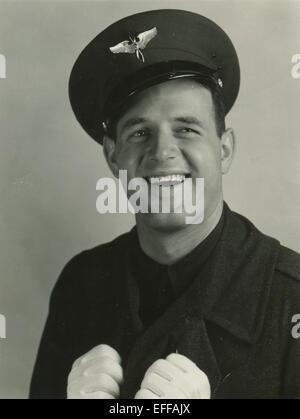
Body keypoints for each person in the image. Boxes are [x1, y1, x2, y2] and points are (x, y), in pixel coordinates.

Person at [29, 9, 300, 399]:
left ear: (224, 149)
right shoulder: (81, 286)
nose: (163, 153)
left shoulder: (290, 297)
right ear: (113, 157)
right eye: (140, 132)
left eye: (186, 129)